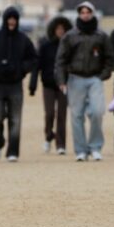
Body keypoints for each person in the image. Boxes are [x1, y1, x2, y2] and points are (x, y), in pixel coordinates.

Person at [55, 0, 114, 161]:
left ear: (92, 14)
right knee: (76, 116)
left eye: (88, 12)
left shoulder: (101, 36)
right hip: (75, 78)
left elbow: (110, 58)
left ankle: (95, 147)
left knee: (97, 112)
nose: (85, 15)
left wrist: (103, 75)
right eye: (82, 12)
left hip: (95, 78)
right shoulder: (70, 36)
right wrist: (61, 80)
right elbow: (60, 60)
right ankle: (81, 150)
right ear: (79, 15)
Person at [0, 6, 37, 161]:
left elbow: (33, 58)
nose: (12, 22)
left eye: (14, 19)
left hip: (15, 84)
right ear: (5, 20)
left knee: (15, 119)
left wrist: (21, 69)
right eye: (9, 19)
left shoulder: (24, 40)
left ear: (17, 21)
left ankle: (13, 152)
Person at [29, 15, 71, 155]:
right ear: (53, 30)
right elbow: (37, 65)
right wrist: (33, 84)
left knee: (62, 114)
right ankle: (48, 135)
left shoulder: (69, 47)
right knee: (49, 113)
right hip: (48, 84)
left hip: (64, 84)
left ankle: (61, 144)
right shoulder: (45, 46)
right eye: (58, 29)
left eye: (63, 29)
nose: (60, 31)